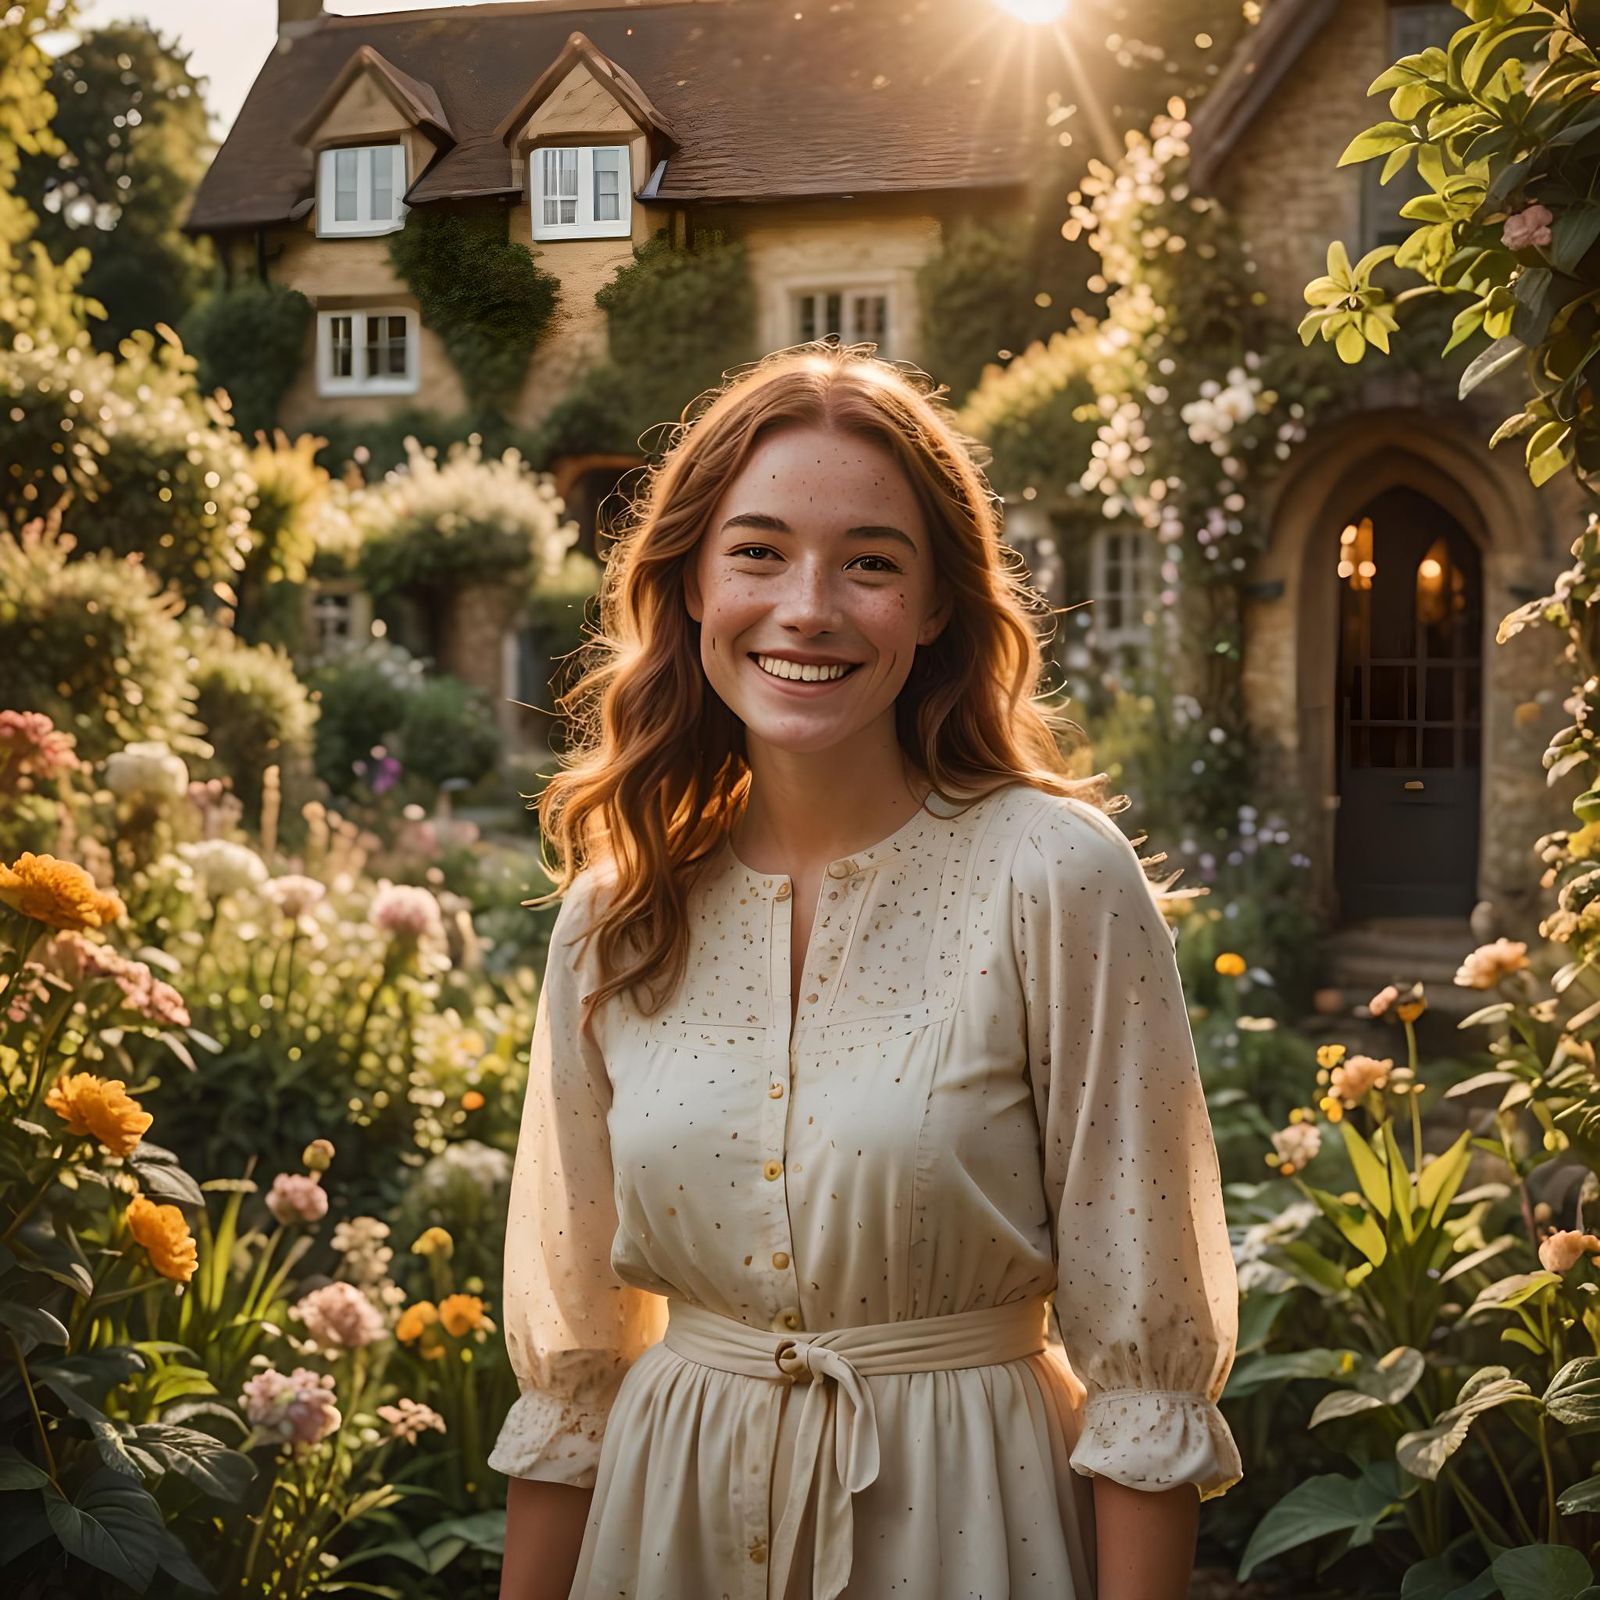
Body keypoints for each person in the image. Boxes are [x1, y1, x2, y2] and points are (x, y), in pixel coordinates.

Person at [493, 343, 1243, 1600]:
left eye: (872, 562)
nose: (808, 606)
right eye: (759, 550)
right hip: (664, 1527)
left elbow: (1144, 1370)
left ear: (938, 603)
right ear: (687, 583)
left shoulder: (1052, 877)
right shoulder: (614, 914)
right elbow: (570, 1372)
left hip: (968, 1524)